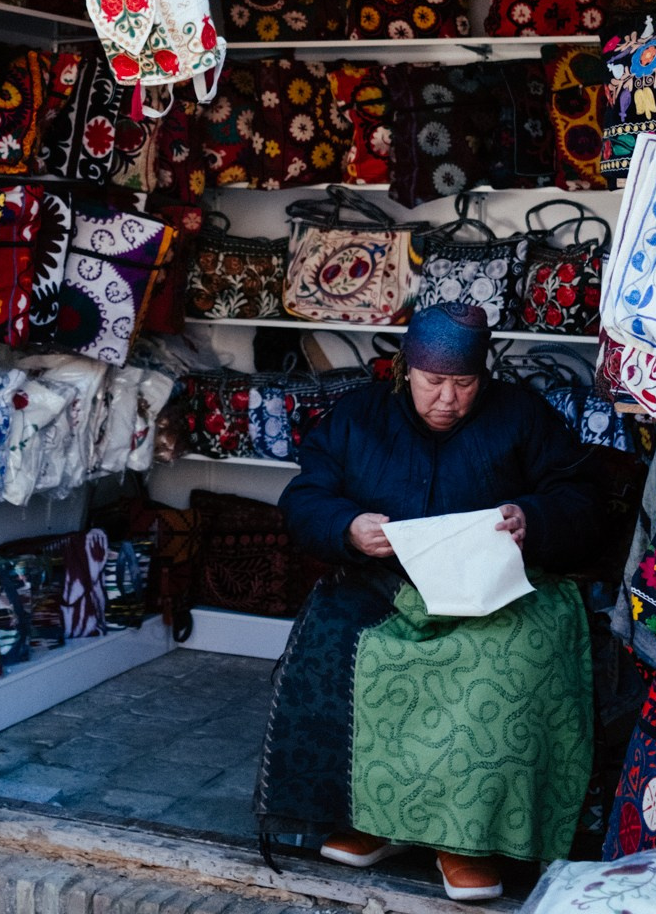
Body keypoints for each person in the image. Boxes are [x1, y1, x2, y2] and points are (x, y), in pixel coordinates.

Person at [254, 303, 601, 902]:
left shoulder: (521, 415)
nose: (448, 400)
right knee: (342, 649)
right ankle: (375, 821)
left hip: (496, 592)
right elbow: (304, 497)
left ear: (482, 377)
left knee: (500, 669)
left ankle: (465, 840)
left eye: (463, 384)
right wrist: (348, 527)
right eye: (433, 382)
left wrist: (532, 517)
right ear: (404, 371)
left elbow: (581, 495)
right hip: (382, 587)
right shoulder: (359, 417)